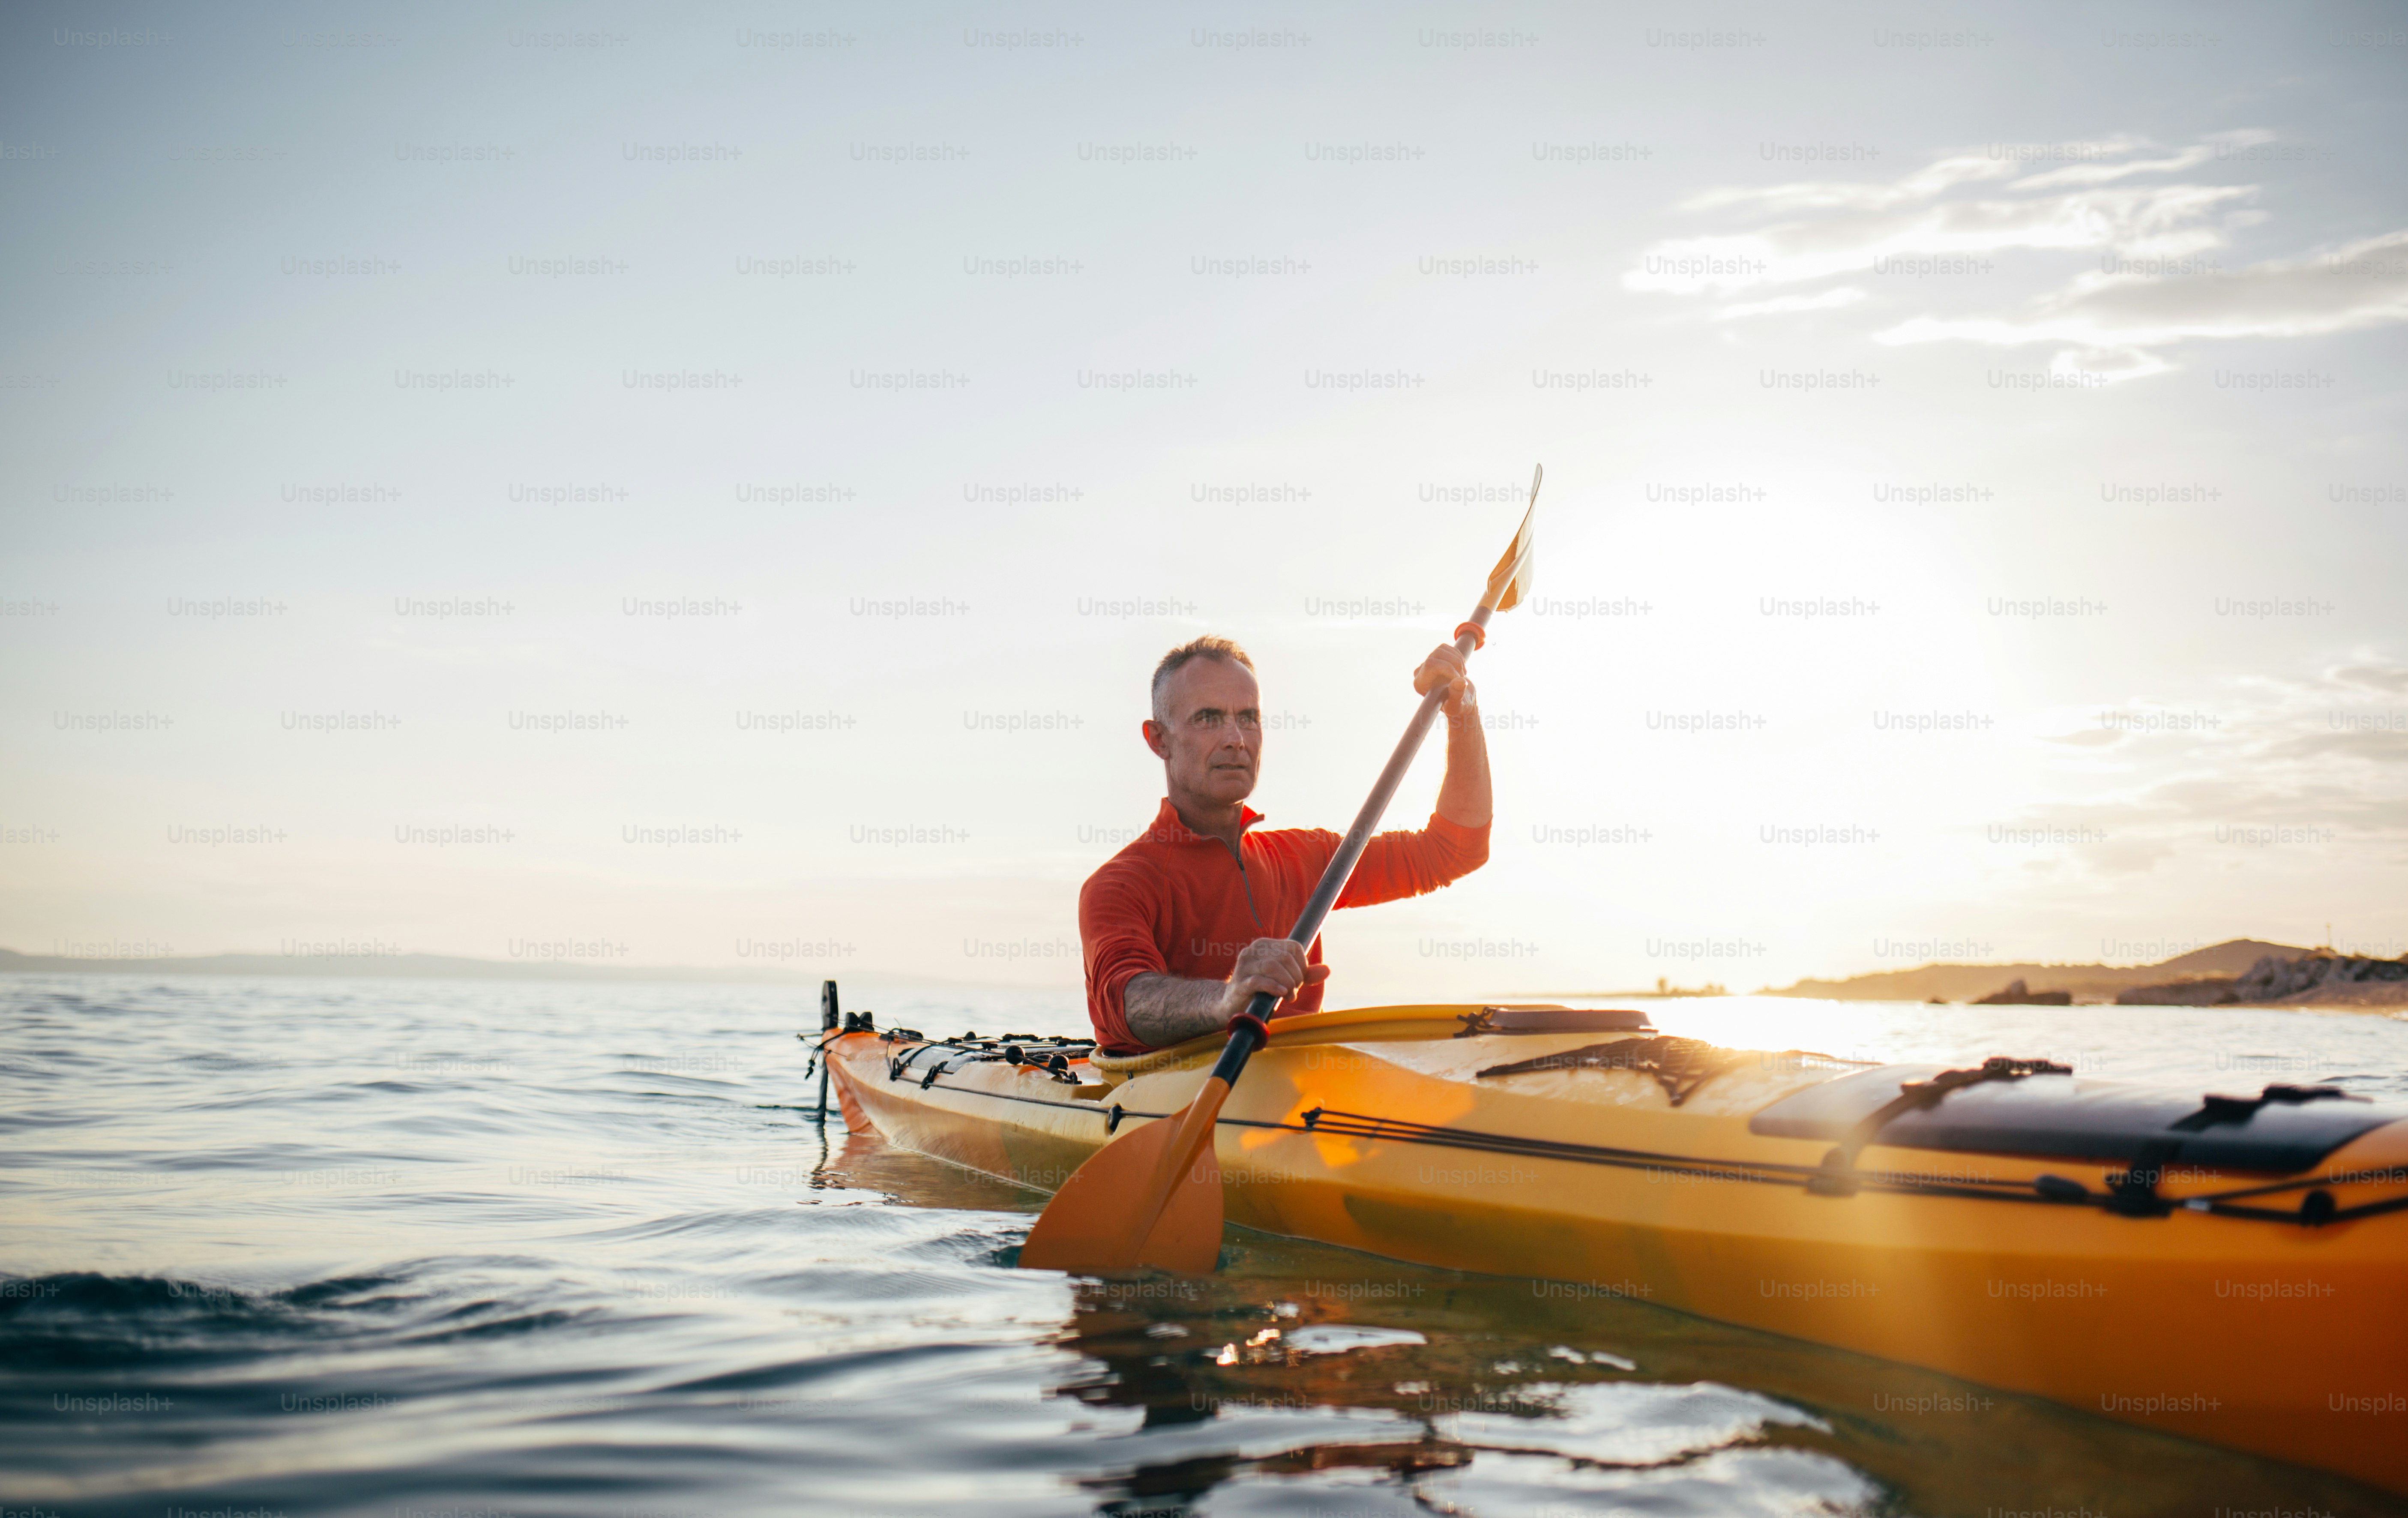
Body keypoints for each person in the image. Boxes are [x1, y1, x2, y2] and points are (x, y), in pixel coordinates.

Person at [1078, 635, 1492, 1054]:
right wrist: (1225, 999)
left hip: (1298, 1089)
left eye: (1248, 717)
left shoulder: (1310, 859)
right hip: (1158, 1093)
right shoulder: (1118, 884)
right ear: (1158, 739)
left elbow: (1454, 850)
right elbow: (1128, 998)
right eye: (1208, 717)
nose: (1236, 738)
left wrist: (1463, 713)